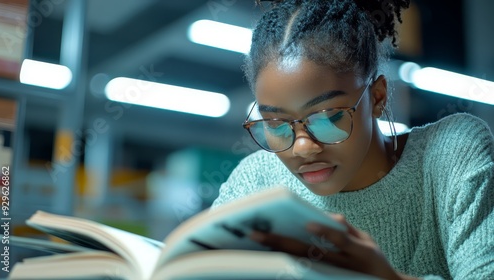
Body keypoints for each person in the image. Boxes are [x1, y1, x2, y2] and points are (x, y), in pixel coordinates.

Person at [211, 0, 494, 279]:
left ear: (377, 96)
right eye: (276, 123)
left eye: (327, 117)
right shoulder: (256, 182)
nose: (303, 147)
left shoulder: (452, 154)